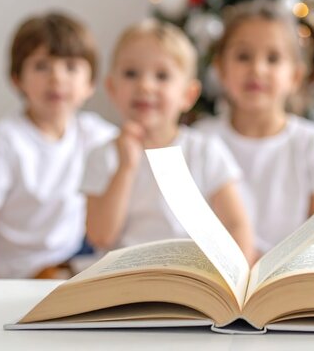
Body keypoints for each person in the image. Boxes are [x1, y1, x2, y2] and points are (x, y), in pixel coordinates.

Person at [80, 19, 256, 264]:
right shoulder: (103, 155)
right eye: (131, 73)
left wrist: (239, 278)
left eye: (162, 76)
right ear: (111, 87)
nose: (145, 85)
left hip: (189, 276)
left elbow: (236, 223)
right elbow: (100, 236)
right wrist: (125, 167)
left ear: (188, 95)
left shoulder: (205, 151)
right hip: (122, 277)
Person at [0, 12, 117, 278]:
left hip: (71, 258)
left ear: (90, 84)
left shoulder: (93, 132)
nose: (56, 78)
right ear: (17, 79)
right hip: (17, 270)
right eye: (41, 66)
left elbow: (138, 151)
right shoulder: (6, 138)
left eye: (70, 67)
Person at [195, 0, 314, 258]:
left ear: (295, 76)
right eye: (243, 56)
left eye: (273, 58)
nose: (257, 69)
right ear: (221, 68)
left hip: (289, 282)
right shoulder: (199, 139)